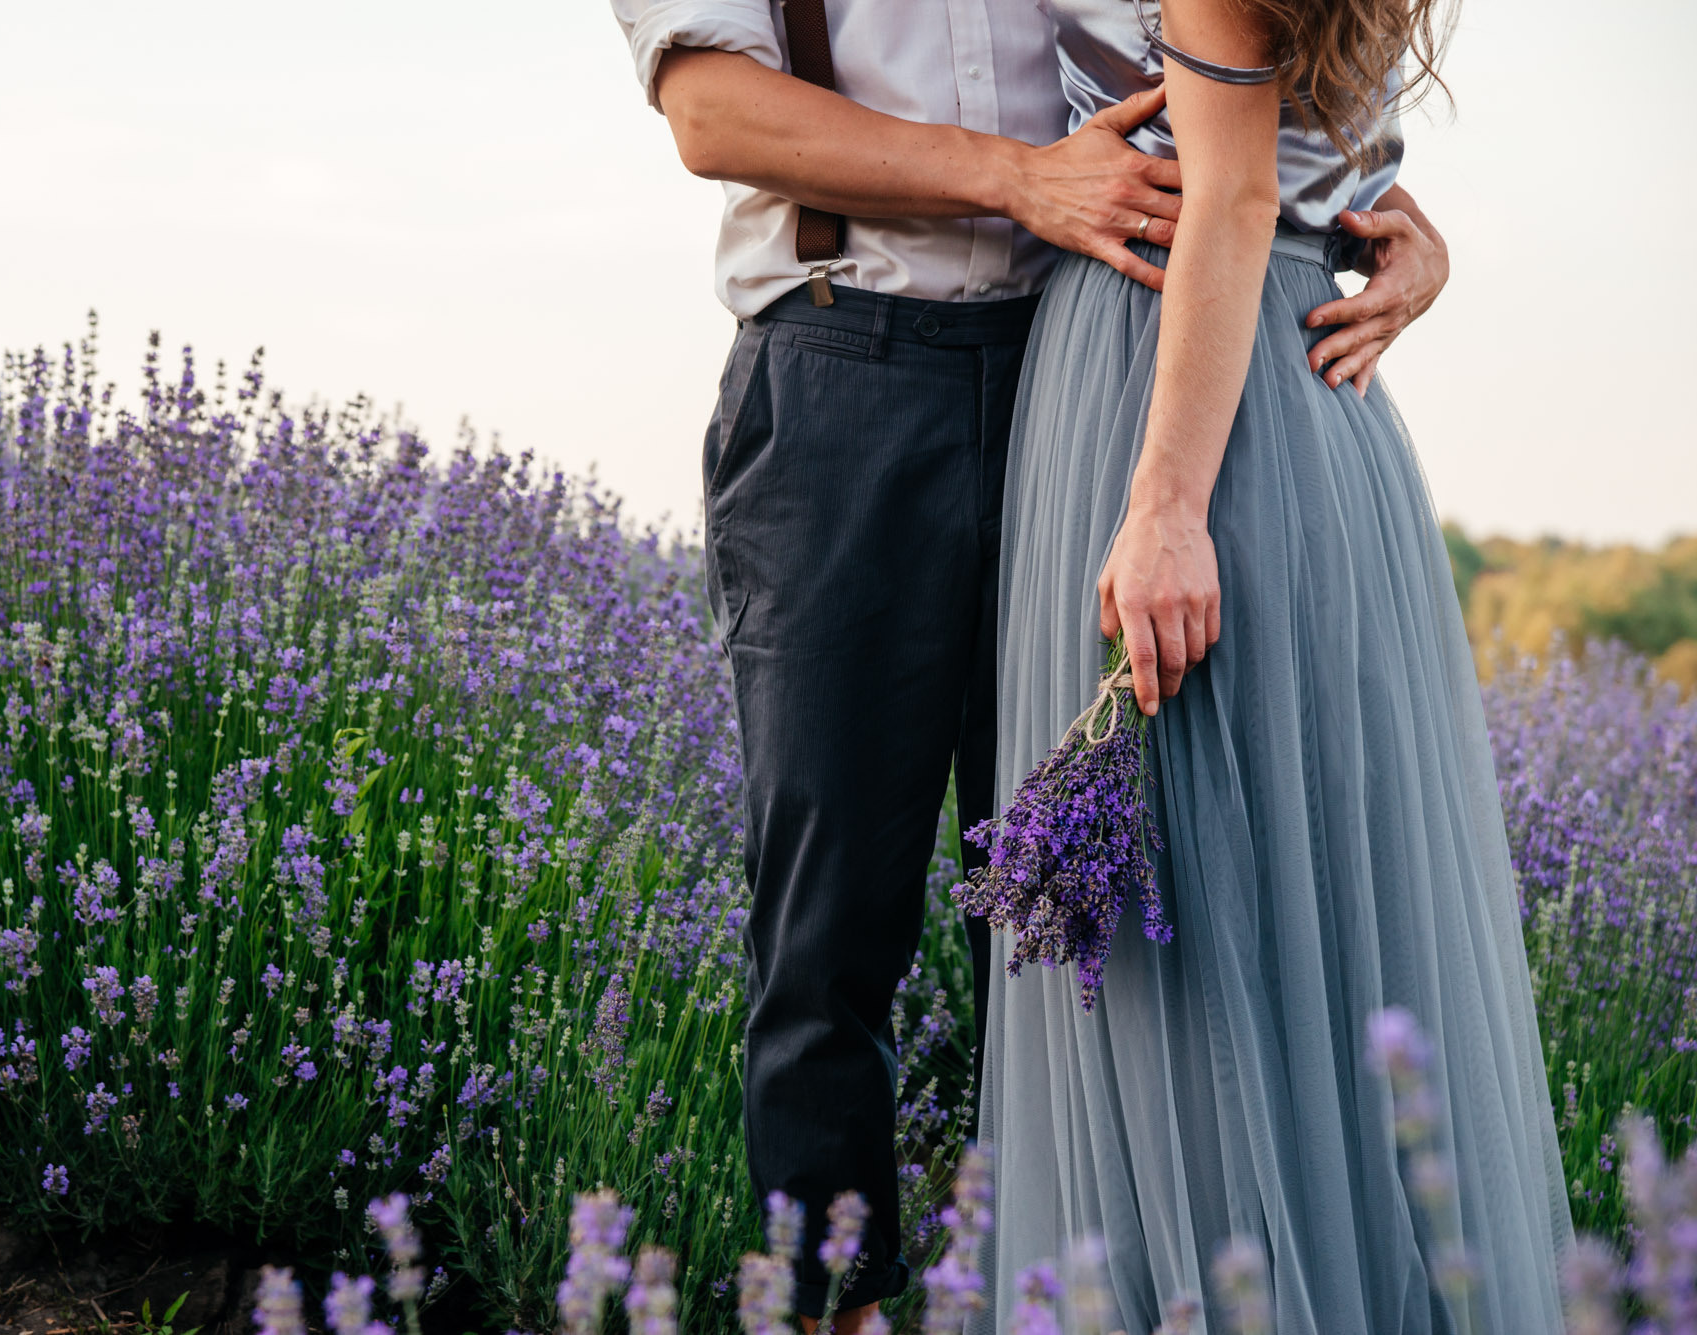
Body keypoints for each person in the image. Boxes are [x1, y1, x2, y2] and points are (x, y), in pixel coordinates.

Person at [608, 2, 1451, 1325]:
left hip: (1091, 376)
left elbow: (1230, 91)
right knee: (833, 915)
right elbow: (714, 116)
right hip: (854, 368)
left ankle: (1056, 1297)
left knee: (1096, 911)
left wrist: (1379, 211)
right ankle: (835, 1307)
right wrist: (1013, 176)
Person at [972, 1, 1572, 1331]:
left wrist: (1169, 501)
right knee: (1300, 915)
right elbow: (1269, 126)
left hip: (1182, 386)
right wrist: (1383, 198)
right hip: (1293, 370)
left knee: (1204, 932)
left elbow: (1232, 192)